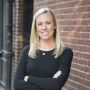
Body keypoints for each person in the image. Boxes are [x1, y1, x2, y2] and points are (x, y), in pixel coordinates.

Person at [14, 7, 73, 90]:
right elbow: (17, 84)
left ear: (55, 25)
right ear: (35, 27)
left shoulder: (65, 52)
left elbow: (56, 85)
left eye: (48, 23)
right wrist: (49, 83)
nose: (44, 27)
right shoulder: (27, 50)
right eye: (40, 24)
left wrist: (28, 79)